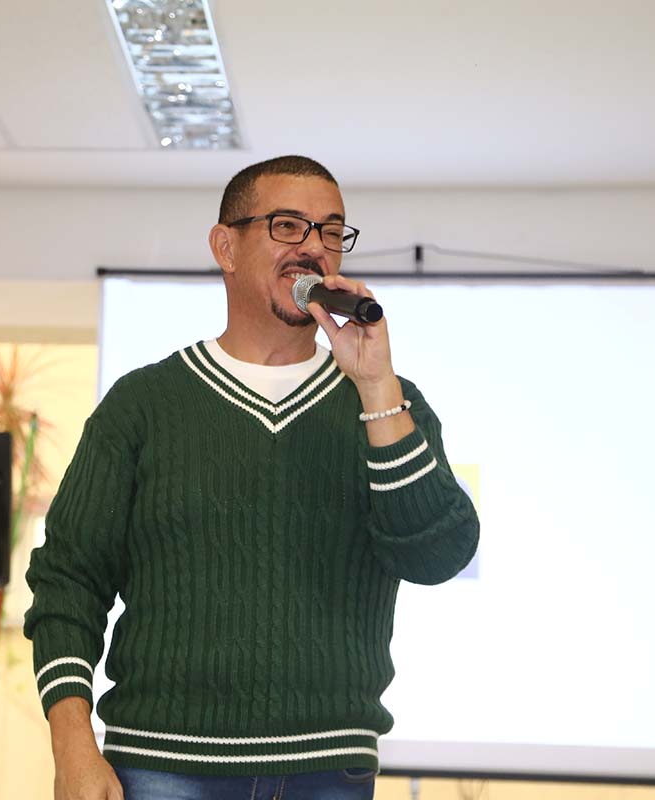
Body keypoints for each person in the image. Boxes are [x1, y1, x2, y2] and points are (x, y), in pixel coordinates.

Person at [24, 155, 479, 800]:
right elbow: (69, 579)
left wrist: (376, 385)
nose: (313, 247)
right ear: (226, 247)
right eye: (288, 226)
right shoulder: (144, 404)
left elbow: (438, 556)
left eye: (330, 231)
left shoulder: (387, 401)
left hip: (329, 771)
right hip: (161, 766)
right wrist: (72, 744)